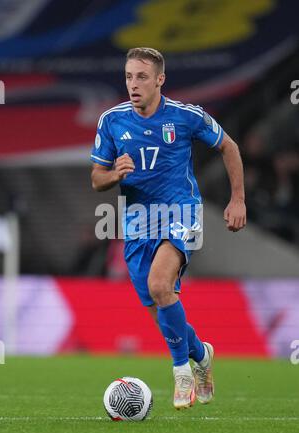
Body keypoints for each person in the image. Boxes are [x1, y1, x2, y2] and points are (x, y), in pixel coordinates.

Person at [90, 47, 246, 410]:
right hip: (136, 224)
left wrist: (237, 199)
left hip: (182, 212)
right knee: (161, 305)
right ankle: (201, 355)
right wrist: (115, 174)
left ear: (160, 79)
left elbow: (229, 147)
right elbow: (97, 178)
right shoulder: (111, 121)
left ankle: (181, 375)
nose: (133, 84)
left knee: (160, 284)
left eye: (142, 77)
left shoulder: (186, 116)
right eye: (129, 76)